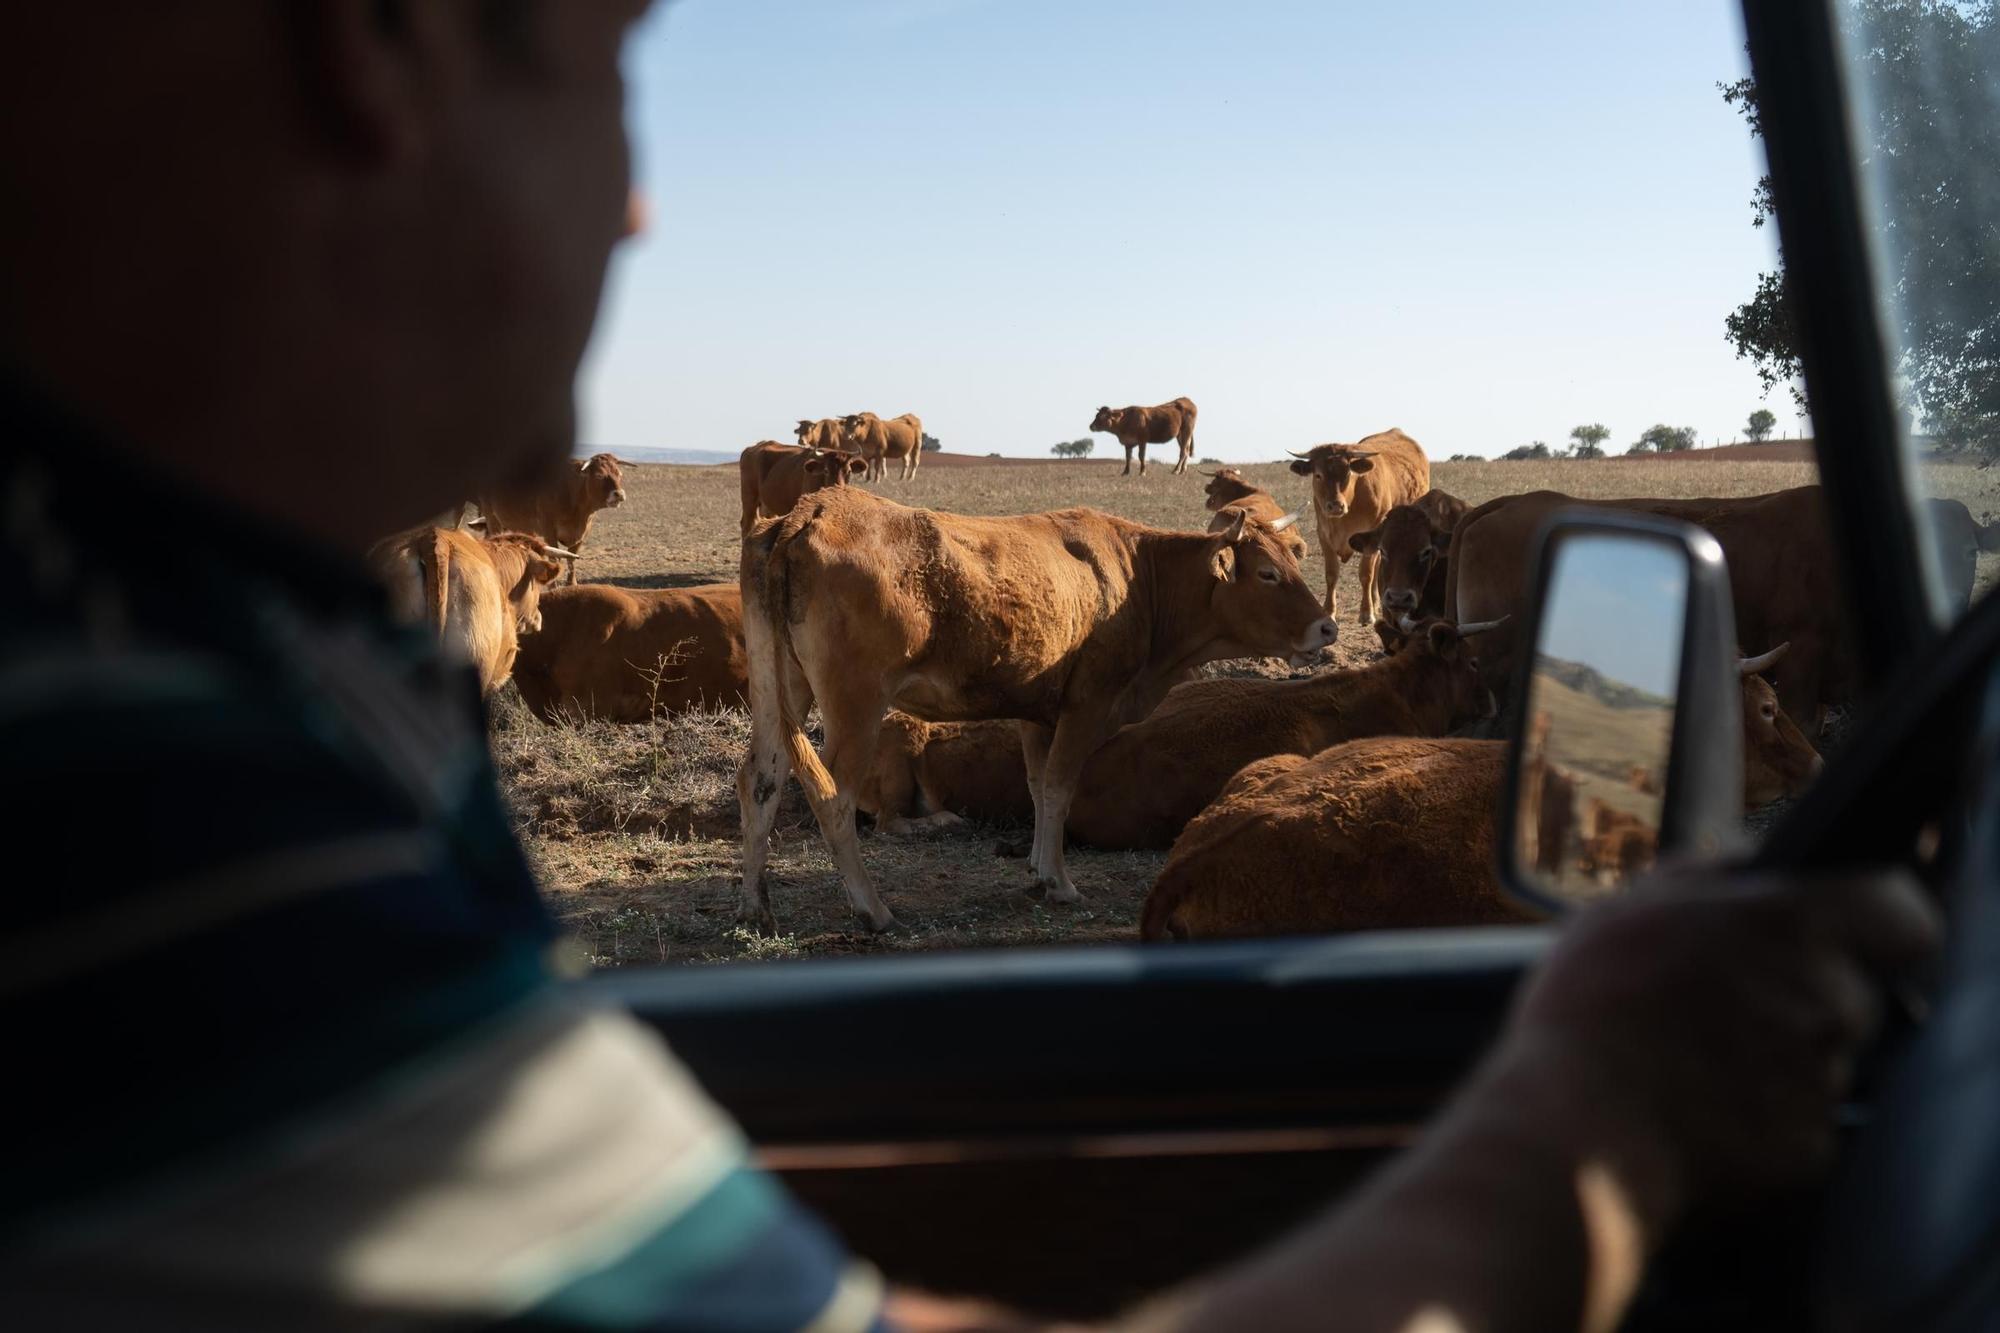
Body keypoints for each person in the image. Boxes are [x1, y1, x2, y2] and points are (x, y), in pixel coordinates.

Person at [0, 4, 1940, 1330]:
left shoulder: (228, 656)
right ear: (389, 48)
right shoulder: (138, 791)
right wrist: (1594, 1105)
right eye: (608, 70)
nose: (641, 204)